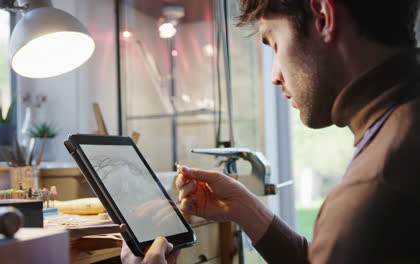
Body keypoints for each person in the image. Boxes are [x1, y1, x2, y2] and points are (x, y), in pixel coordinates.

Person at [122, 0, 420, 263]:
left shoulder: (374, 188)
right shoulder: (403, 126)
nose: (275, 77)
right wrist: (245, 208)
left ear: (323, 17)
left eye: (274, 43)